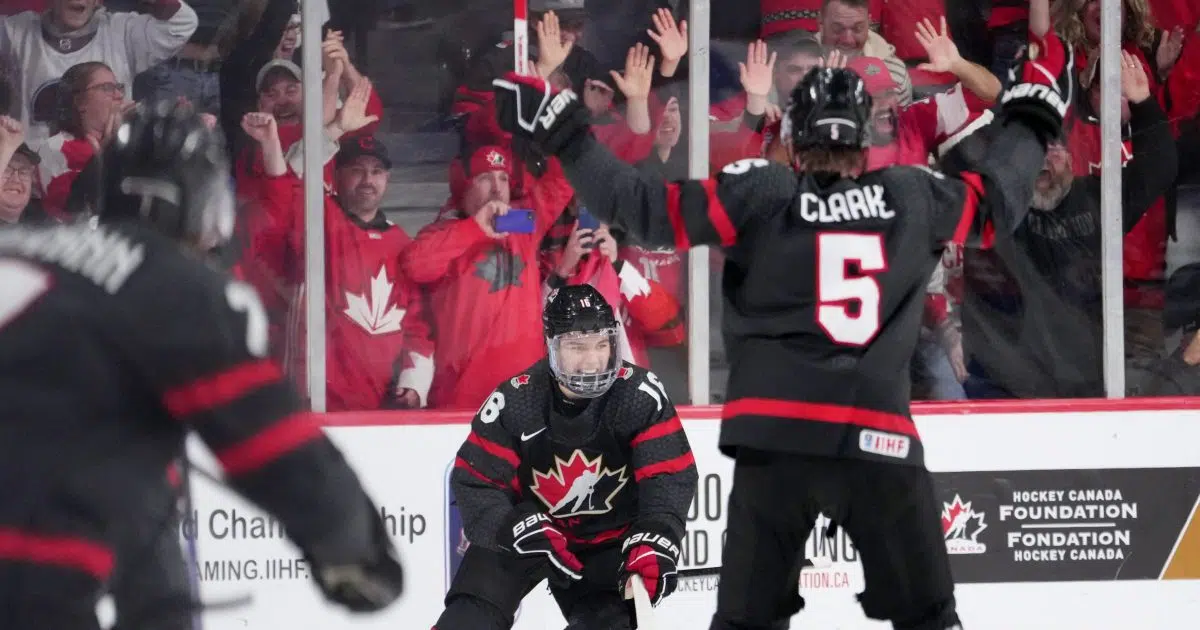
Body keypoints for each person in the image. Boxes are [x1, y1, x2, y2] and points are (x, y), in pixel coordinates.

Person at [489, 24, 1069, 630]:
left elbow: (643, 208)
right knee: (931, 619)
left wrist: (565, 131)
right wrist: (1031, 119)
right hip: (878, 437)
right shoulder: (909, 194)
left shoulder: (762, 192)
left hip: (776, 437)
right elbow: (997, 201)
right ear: (864, 138)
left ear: (792, 135)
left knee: (748, 622)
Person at [0, 101, 403, 629]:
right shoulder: (171, 284)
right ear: (202, 203)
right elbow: (272, 441)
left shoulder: (18, 245)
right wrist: (354, 550)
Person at [435, 284, 697, 630]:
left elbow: (668, 477)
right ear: (551, 345)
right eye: (576, 346)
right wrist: (509, 525)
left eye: (601, 344)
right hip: (525, 535)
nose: (592, 361)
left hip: (606, 544)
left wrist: (655, 534)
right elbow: (476, 481)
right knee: (466, 622)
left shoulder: (638, 394)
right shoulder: (517, 400)